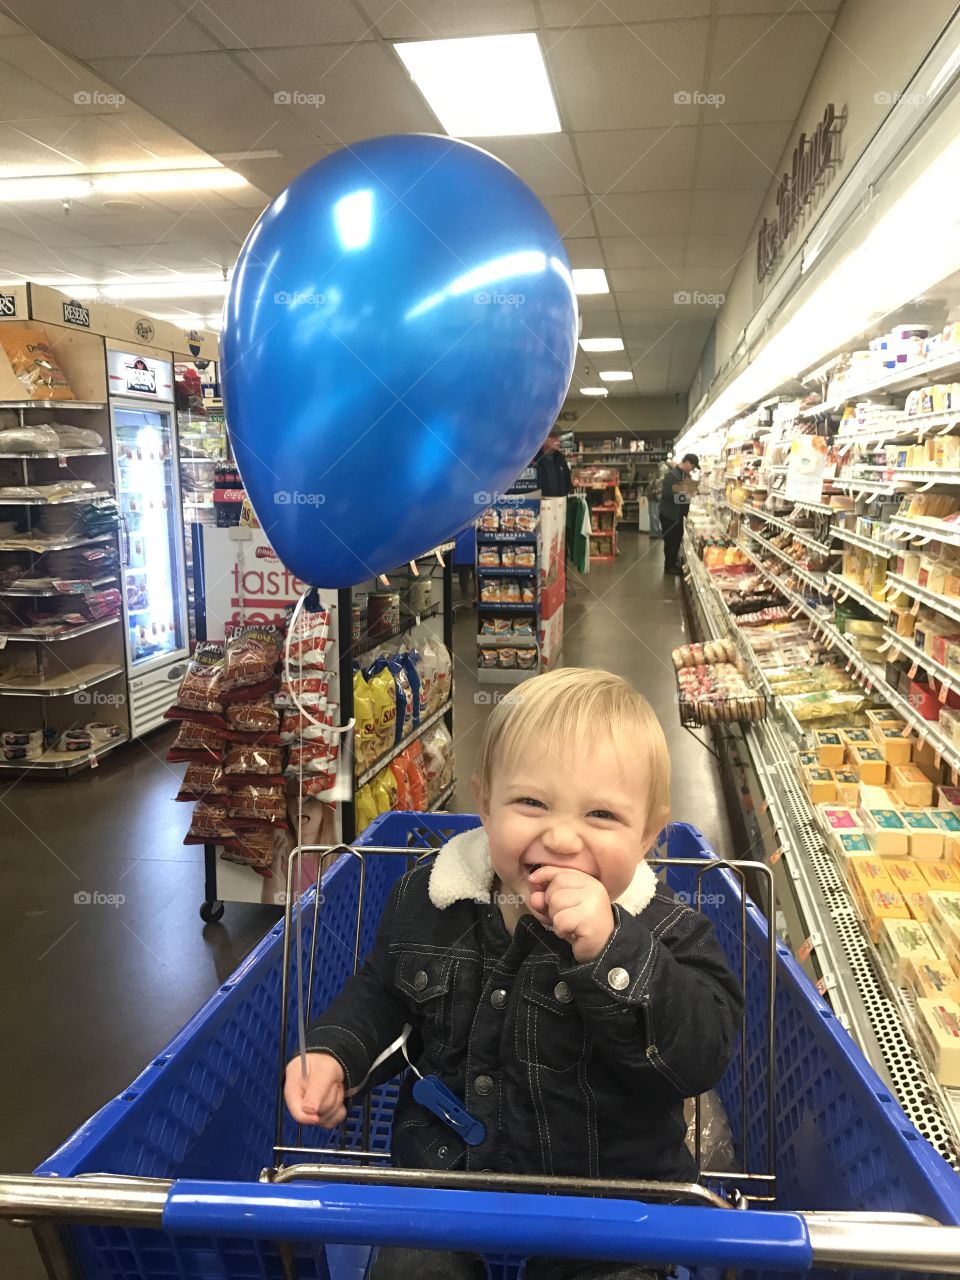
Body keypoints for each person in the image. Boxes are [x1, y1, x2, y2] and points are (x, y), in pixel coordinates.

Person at [285, 667, 743, 1280]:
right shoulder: (431, 898)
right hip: (442, 1178)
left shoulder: (665, 930)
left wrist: (614, 952)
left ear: (649, 835)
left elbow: (700, 1055)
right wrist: (336, 1053)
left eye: (601, 814)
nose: (559, 836)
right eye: (531, 802)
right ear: (484, 801)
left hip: (610, 1199)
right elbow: (383, 995)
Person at [659, 452, 699, 576]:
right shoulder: (672, 476)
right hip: (669, 515)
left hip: (676, 515)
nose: (692, 469)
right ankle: (669, 566)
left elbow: (683, 490)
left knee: (676, 539)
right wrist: (686, 495)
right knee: (671, 540)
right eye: (692, 466)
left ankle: (672, 563)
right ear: (687, 463)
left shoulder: (683, 475)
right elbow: (667, 494)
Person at [535, 426, 573, 497]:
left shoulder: (561, 458)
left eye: (558, 436)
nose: (557, 439)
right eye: (552, 436)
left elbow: (567, 481)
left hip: (558, 504)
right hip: (539, 504)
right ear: (543, 439)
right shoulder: (533, 459)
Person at [648, 456, 672, 540]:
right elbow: (660, 482)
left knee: (655, 514)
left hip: (656, 494)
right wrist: (659, 494)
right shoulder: (664, 467)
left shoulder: (664, 467)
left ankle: (656, 531)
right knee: (655, 515)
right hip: (655, 495)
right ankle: (655, 532)